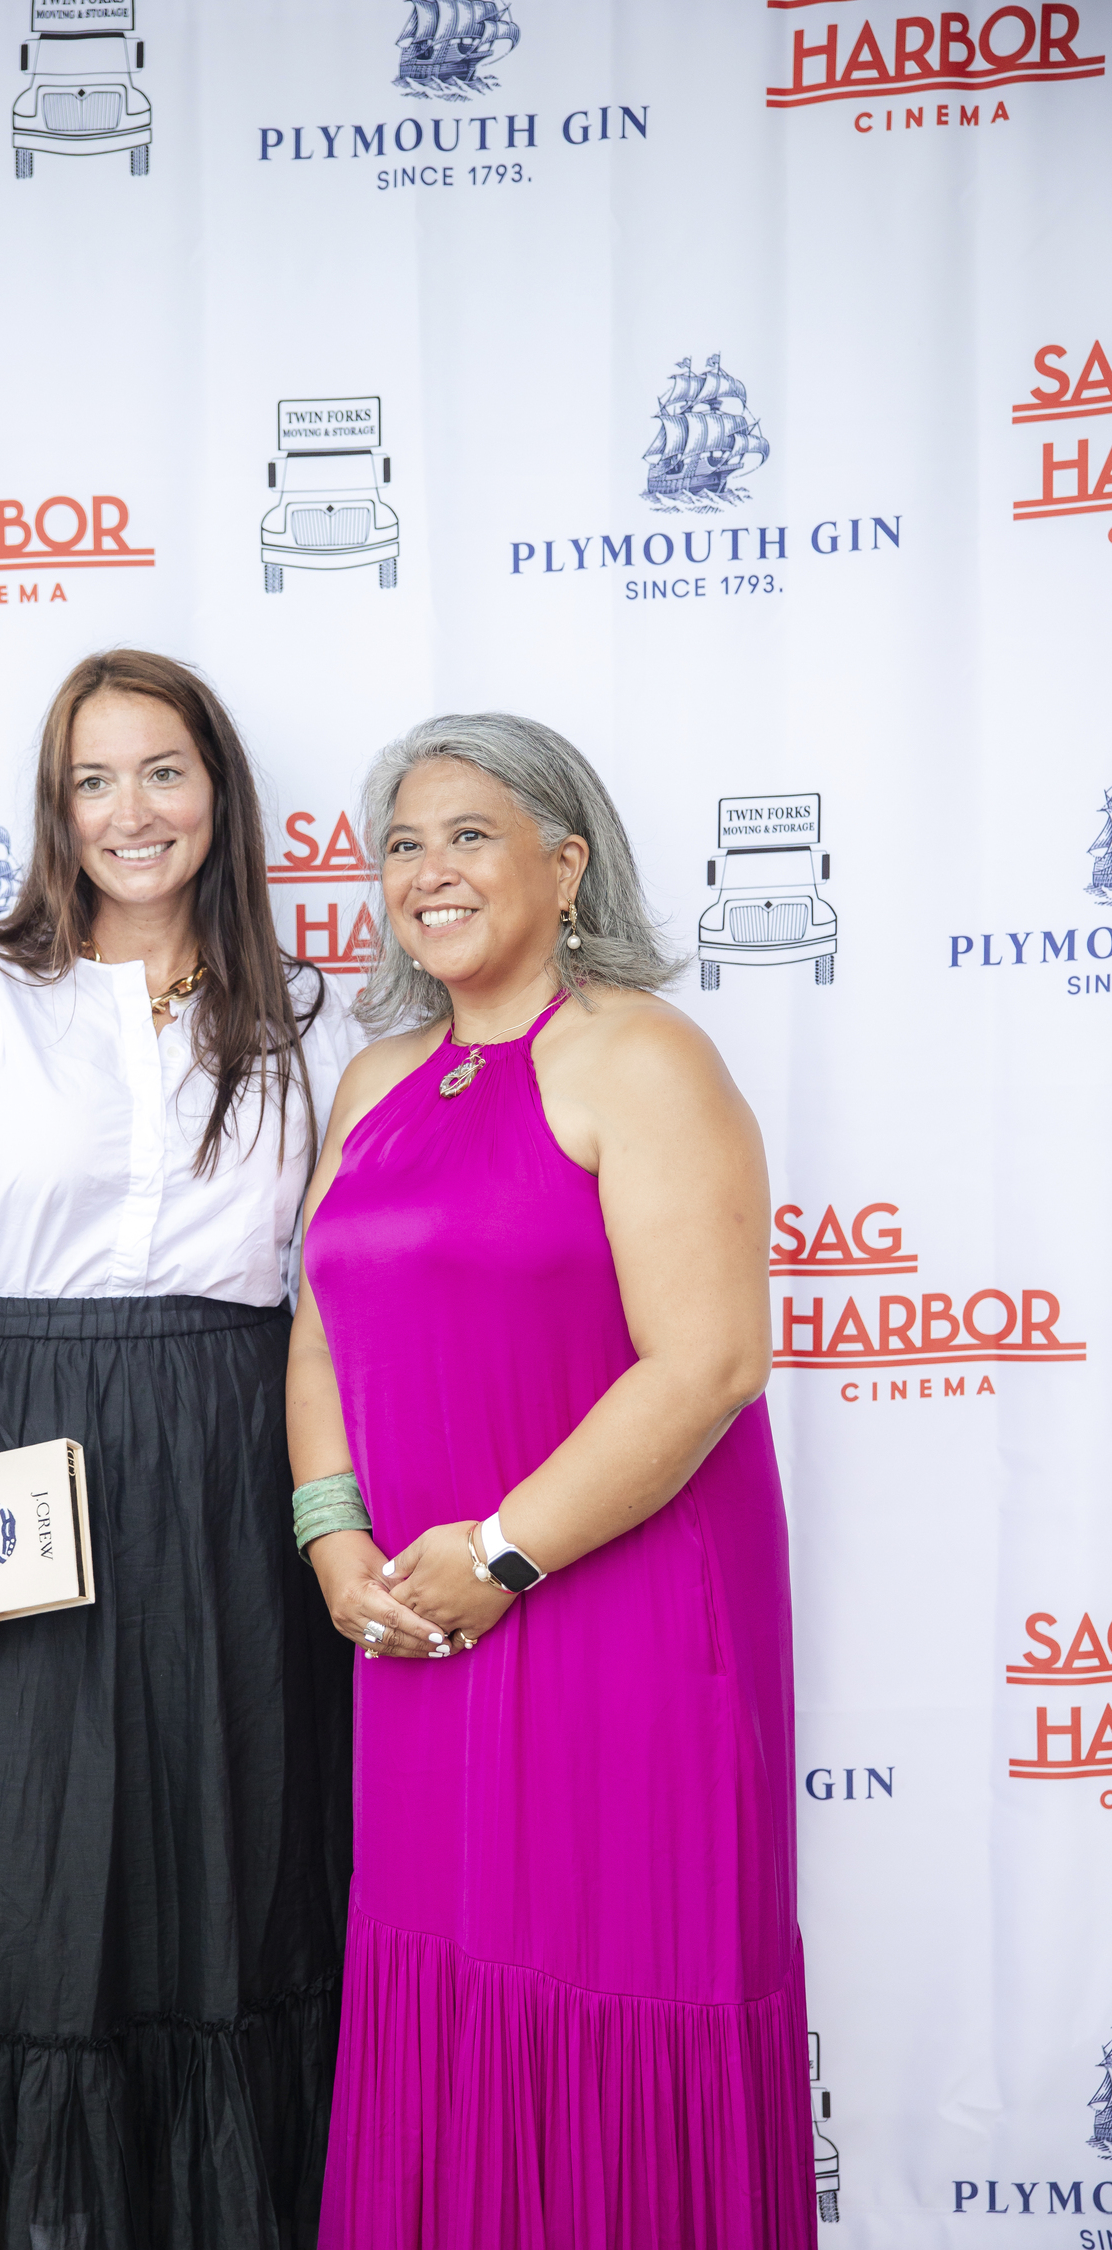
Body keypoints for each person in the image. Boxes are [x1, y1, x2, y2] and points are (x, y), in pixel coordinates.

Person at [0, 649, 359, 2250]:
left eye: (164, 770)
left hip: (234, 1479)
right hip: (15, 1460)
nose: (134, 810)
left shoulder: (311, 1014)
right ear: (55, 812)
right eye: (93, 780)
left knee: (227, 1889)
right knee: (11, 1895)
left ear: (218, 789)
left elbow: (338, 1291)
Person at [287, 713, 815, 2248]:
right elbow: (318, 1325)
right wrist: (337, 1540)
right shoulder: (376, 1076)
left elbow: (709, 1361)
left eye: (468, 834)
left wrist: (504, 1551)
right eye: (400, 842)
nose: (427, 871)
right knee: (442, 1973)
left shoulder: (641, 1054)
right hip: (419, 1626)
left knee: (628, 1975)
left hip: (627, 1618)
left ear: (565, 860)